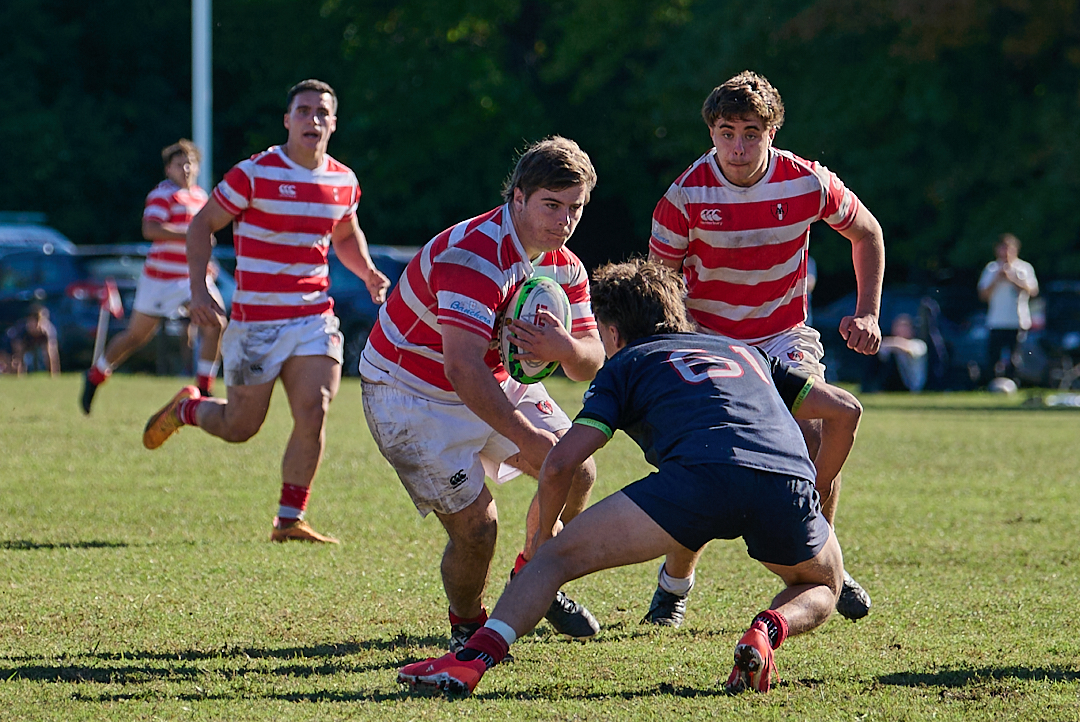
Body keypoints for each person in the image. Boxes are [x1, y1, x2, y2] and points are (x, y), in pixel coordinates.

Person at [397, 258, 862, 696]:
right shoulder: (745, 351)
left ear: (613, 331)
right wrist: (813, 496)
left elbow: (562, 462)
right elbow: (845, 410)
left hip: (696, 481)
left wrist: (541, 541)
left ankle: (472, 658)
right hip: (782, 480)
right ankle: (767, 629)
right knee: (824, 584)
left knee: (552, 561)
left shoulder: (626, 364)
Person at [646, 70, 883, 624]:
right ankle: (674, 585)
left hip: (782, 337)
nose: (737, 146)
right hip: (710, 341)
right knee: (697, 459)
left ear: (771, 132)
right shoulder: (683, 198)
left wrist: (868, 312)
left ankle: (826, 563)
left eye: (751, 132)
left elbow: (866, 231)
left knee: (817, 430)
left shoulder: (806, 181)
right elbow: (660, 287)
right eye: (726, 132)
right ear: (711, 132)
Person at [360, 136, 606, 653]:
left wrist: (563, 346)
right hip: (412, 394)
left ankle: (532, 575)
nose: (564, 221)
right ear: (517, 197)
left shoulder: (564, 265)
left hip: (488, 379)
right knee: (478, 529)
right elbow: (462, 368)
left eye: (575, 208)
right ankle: (469, 625)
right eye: (551, 205)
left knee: (577, 468)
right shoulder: (475, 255)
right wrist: (529, 436)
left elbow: (590, 360)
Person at [142, 79, 391, 544]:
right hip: (256, 323)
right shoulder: (253, 173)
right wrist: (198, 292)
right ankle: (187, 409)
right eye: (303, 111)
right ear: (287, 120)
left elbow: (345, 235)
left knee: (314, 409)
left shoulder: (343, 181)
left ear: (333, 123)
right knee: (240, 427)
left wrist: (369, 272)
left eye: (322, 112)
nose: (312, 120)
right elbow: (201, 225)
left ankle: (289, 519)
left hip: (314, 317)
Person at [81, 139, 225, 414]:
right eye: (179, 164)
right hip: (161, 279)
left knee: (216, 323)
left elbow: (202, 239)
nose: (185, 168)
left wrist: (207, 262)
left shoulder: (200, 196)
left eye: (190, 163)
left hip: (192, 276)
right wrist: (189, 234)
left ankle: (204, 389)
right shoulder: (163, 195)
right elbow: (150, 229)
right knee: (136, 337)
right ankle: (96, 375)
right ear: (168, 170)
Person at [977, 233, 1038, 382]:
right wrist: (996, 279)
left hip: (1016, 321)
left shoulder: (1023, 268)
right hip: (996, 321)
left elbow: (1033, 291)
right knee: (993, 356)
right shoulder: (991, 269)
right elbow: (983, 295)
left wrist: (1012, 279)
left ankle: (1013, 382)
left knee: (1014, 357)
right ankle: (993, 383)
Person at [862, 314, 927, 393]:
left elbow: (908, 349)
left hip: (910, 385)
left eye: (904, 327)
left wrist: (893, 343)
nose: (900, 330)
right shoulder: (890, 345)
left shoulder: (919, 344)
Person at [4, 304, 60, 376]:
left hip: (34, 341)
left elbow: (52, 355)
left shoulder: (47, 331)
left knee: (51, 354)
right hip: (14, 342)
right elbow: (18, 353)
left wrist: (54, 374)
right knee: (15, 360)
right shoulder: (21, 330)